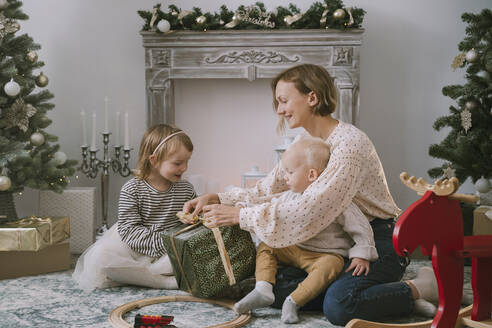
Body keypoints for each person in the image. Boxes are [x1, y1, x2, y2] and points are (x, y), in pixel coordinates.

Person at [182, 64, 439, 324]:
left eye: (283, 101)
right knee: (272, 287)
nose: (279, 110)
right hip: (333, 241)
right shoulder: (304, 143)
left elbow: (308, 210)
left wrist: (240, 215)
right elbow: (271, 186)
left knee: (340, 306)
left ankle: (418, 287)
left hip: (375, 239)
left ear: (312, 98)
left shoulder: (349, 145)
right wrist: (218, 198)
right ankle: (376, 295)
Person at [231, 136, 378, 324]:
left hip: (324, 254)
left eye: (290, 172)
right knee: (267, 244)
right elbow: (265, 203)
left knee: (332, 266)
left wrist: (362, 254)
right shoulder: (290, 196)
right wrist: (240, 206)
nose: (285, 177)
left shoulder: (335, 199)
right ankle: (263, 288)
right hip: (294, 248)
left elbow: (360, 226)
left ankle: (293, 302)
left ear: (311, 175)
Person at [73, 124, 196, 292]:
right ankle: (162, 282)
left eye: (187, 162)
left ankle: (141, 277)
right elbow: (130, 231)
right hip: (135, 249)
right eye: (177, 163)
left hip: (169, 252)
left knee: (192, 254)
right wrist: (162, 244)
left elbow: (192, 223)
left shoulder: (186, 189)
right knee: (102, 257)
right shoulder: (132, 189)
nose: (184, 168)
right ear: (154, 160)